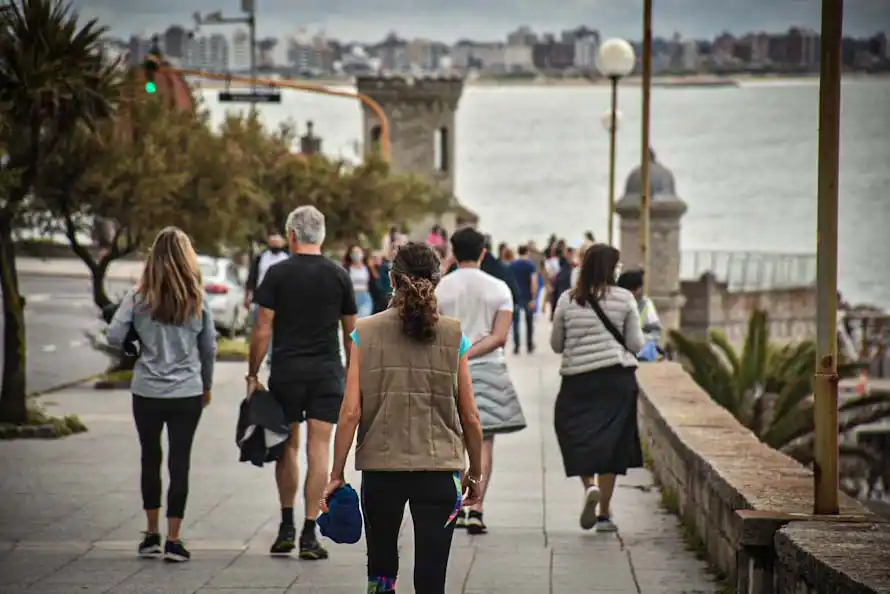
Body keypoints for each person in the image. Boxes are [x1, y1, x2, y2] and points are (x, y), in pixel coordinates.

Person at [321, 242, 485, 594]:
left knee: (381, 570)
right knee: (431, 575)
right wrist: (476, 471)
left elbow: (350, 412)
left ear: (392, 279)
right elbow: (470, 415)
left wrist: (335, 474)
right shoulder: (454, 334)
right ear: (437, 281)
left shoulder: (363, 333)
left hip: (381, 472)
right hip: (440, 471)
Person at [247, 205, 357, 559]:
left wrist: (253, 372)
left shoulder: (277, 275)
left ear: (292, 235)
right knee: (319, 449)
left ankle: (286, 526)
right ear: (321, 236)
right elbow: (351, 334)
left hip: (287, 373)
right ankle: (311, 533)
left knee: (288, 447)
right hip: (327, 373)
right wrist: (353, 378)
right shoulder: (340, 276)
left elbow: (263, 327)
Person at [107, 227, 216, 563]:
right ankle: (174, 539)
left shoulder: (138, 297)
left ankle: (151, 534)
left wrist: (133, 344)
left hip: (147, 391)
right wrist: (207, 384)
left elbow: (113, 334)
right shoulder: (197, 298)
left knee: (150, 458)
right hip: (187, 392)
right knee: (179, 462)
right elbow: (208, 347)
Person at [436, 227, 527, 535]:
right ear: (483, 253)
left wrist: (459, 354)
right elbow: (500, 337)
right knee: (484, 441)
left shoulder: (440, 289)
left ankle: (456, 506)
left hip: (448, 370)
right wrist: (472, 352)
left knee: (456, 440)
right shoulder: (499, 288)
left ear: (453, 251)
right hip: (488, 369)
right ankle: (476, 507)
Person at [550, 244, 645, 533]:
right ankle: (604, 513)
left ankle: (589, 486)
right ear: (611, 268)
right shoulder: (625, 298)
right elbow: (636, 344)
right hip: (616, 380)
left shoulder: (568, 300)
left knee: (576, 435)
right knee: (612, 443)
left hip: (578, 380)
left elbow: (556, 345)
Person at [245, 232, 290, 364]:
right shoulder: (261, 258)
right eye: (273, 242)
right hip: (262, 297)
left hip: (282, 298)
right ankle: (259, 356)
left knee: (278, 329)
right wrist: (248, 295)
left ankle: (274, 355)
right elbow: (252, 277)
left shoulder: (287, 258)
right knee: (261, 329)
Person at [617, 269, 662, 344]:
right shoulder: (615, 303)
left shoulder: (646, 304)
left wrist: (639, 341)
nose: (641, 291)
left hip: (639, 351)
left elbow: (655, 332)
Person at [509, 244, 539, 354]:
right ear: (527, 252)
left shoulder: (513, 265)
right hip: (527, 296)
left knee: (516, 322)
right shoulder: (530, 265)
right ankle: (529, 344)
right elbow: (534, 283)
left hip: (516, 297)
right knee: (529, 322)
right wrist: (534, 298)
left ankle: (516, 346)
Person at [343, 245, 374, 318]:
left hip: (365, 297)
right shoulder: (347, 269)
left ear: (362, 253)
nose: (356, 254)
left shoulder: (368, 268)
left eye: (358, 252)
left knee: (363, 319)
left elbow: (374, 281)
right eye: (354, 252)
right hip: (352, 298)